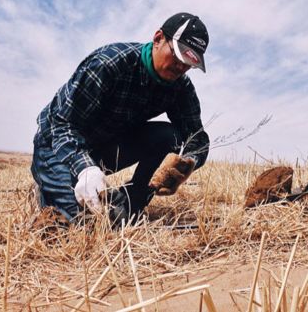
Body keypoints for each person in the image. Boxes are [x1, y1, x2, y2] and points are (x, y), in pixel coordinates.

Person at [30, 12, 211, 225]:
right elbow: (62, 124)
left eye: (189, 63)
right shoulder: (108, 64)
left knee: (170, 137)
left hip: (105, 144)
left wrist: (185, 165)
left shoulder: (180, 87)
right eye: (177, 55)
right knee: (80, 224)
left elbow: (197, 139)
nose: (181, 67)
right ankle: (49, 185)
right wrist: (85, 169)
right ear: (158, 38)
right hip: (57, 147)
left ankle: (131, 203)